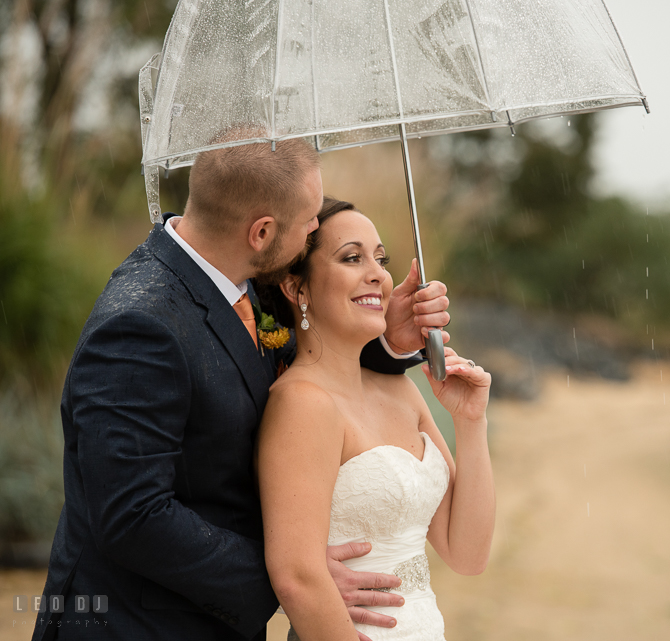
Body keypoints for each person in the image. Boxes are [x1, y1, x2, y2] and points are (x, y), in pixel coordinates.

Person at [31, 138, 451, 641]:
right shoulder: (139, 326)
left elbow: (309, 347)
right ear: (262, 232)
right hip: (136, 626)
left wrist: (390, 340)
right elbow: (131, 517)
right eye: (309, 219)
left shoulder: (240, 281)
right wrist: (293, 577)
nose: (317, 228)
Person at [255, 197, 495, 641]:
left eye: (380, 259)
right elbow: (298, 579)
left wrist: (470, 421)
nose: (379, 275)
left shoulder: (401, 390)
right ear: (296, 289)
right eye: (352, 257)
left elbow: (467, 554)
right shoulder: (301, 403)